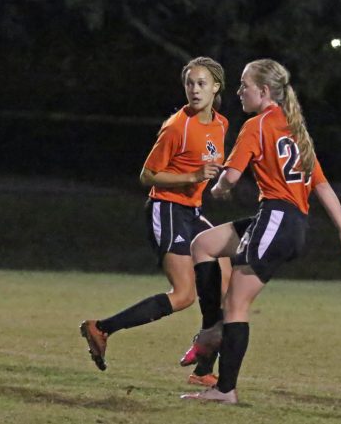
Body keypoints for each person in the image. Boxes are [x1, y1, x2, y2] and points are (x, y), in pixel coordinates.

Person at [181, 58, 341, 404]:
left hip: (277, 219)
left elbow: (229, 179)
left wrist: (218, 187)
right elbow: (322, 186)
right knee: (203, 244)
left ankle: (224, 388)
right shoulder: (294, 127)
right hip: (288, 224)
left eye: (244, 85)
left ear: (263, 91)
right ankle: (212, 328)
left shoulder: (257, 125)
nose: (239, 91)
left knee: (237, 305)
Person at [80, 57, 231, 386]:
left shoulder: (221, 125)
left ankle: (203, 367)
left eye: (201, 83)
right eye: (190, 83)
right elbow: (147, 175)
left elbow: (210, 166)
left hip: (191, 212)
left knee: (227, 277)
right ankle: (102, 328)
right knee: (183, 295)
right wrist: (191, 175)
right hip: (167, 209)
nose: (194, 89)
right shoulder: (177, 126)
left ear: (216, 87)